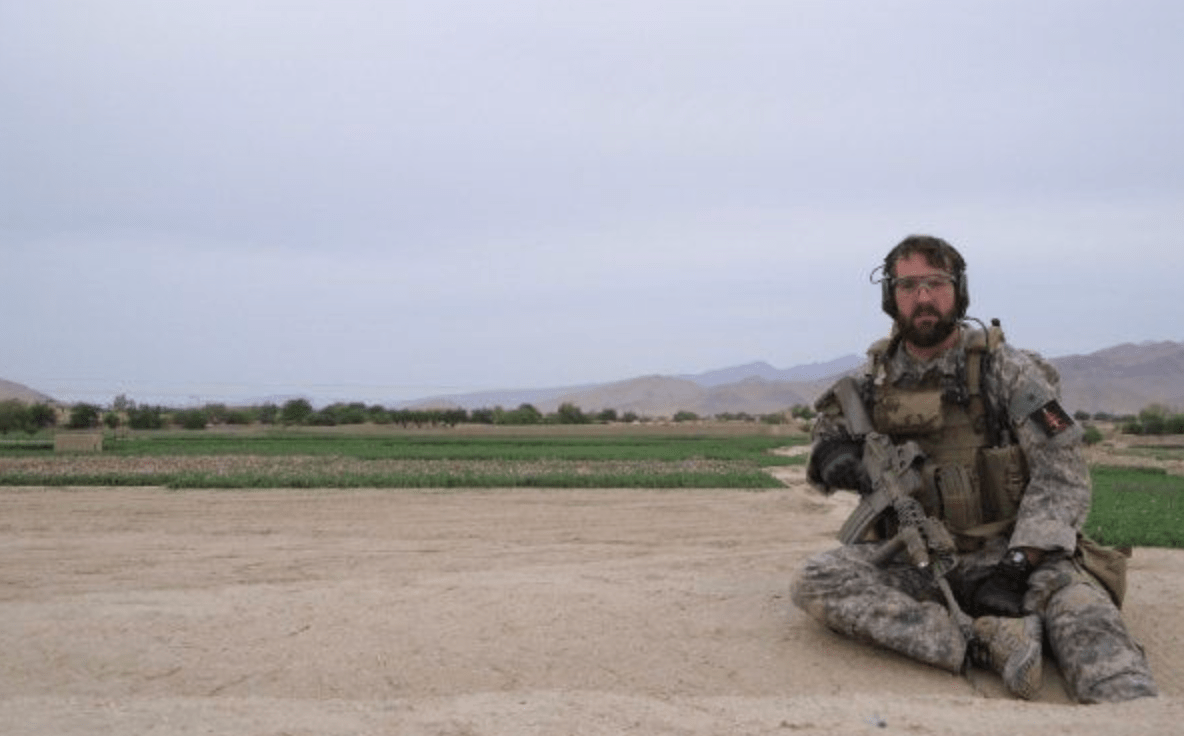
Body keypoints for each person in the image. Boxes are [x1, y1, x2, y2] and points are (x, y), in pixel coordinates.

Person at [790, 235, 1157, 703]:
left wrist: (1017, 567)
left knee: (1090, 624)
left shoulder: (1005, 369)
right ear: (890, 297)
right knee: (818, 580)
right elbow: (825, 441)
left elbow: (1061, 471)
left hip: (1015, 557)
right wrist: (837, 460)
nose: (923, 297)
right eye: (908, 285)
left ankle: (1131, 710)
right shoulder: (872, 381)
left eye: (935, 283)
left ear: (958, 291)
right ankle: (980, 642)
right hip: (918, 561)